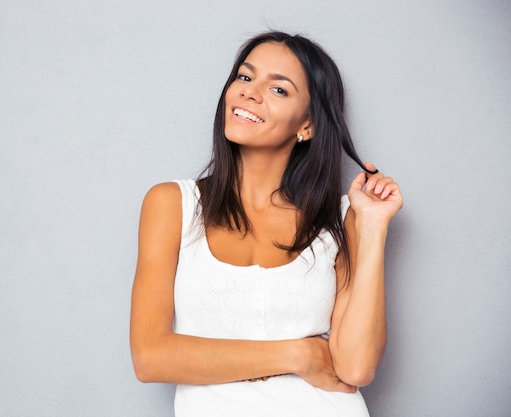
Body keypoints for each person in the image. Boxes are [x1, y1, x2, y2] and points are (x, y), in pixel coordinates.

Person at [130, 31, 403, 417]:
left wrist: (373, 227)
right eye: (244, 77)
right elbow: (150, 357)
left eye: (278, 90)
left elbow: (356, 367)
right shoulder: (172, 204)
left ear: (306, 126)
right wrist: (298, 354)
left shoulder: (340, 220)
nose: (249, 93)